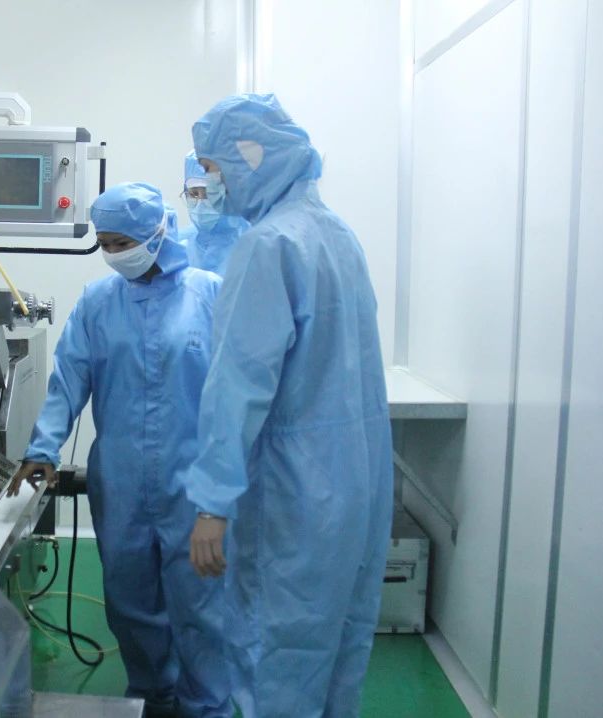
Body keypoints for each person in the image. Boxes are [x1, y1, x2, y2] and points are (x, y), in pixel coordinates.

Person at [185, 94, 393, 718]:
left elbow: (238, 385)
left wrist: (212, 502)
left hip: (296, 494)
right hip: (355, 485)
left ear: (249, 158)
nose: (208, 182)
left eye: (211, 167)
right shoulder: (338, 235)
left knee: (276, 655)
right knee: (338, 649)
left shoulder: (268, 246)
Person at [8, 182, 232, 718]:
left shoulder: (210, 295)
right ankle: (154, 694)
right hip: (122, 481)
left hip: (194, 481)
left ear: (157, 234)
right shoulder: (98, 302)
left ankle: (207, 704)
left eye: (122, 243)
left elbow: (238, 393)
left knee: (201, 604)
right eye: (105, 244)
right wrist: (44, 447)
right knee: (130, 600)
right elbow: (68, 379)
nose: (113, 253)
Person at [178, 151, 249, 276]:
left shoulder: (254, 245)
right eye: (194, 194)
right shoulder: (179, 247)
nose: (200, 203)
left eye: (209, 193)